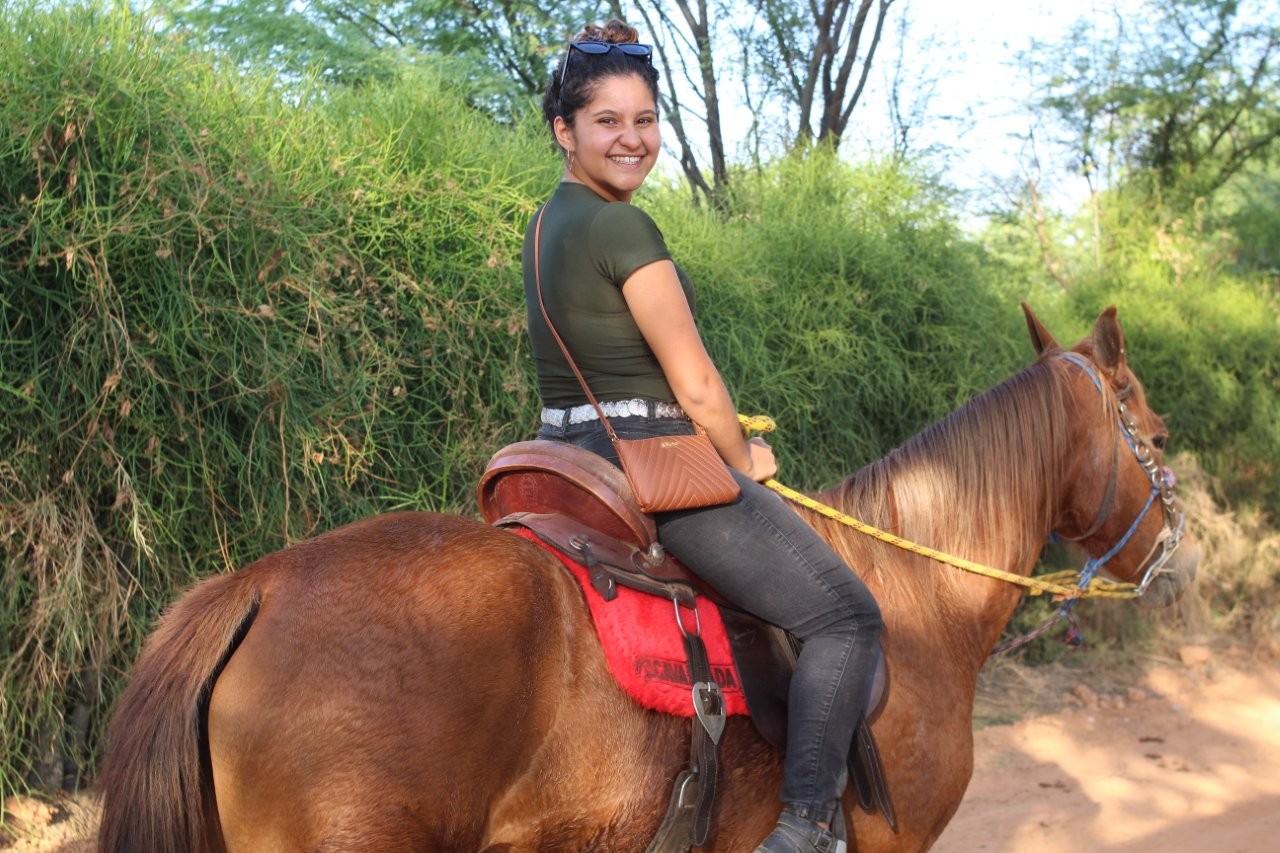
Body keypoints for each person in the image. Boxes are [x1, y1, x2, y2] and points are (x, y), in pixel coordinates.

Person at [523, 19, 883, 853]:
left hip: (566, 454)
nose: (631, 138)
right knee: (846, 618)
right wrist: (743, 456)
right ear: (565, 131)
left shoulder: (547, 224)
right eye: (607, 121)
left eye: (645, 119)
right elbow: (696, 386)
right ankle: (805, 828)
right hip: (648, 460)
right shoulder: (624, 228)